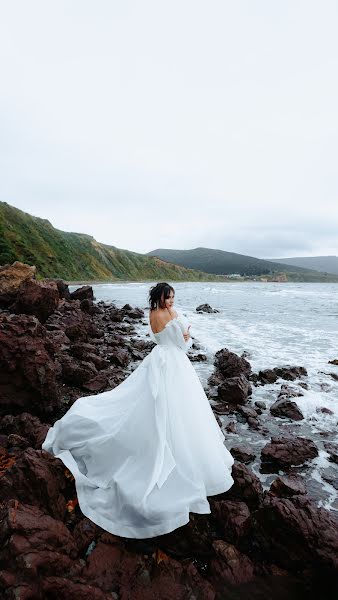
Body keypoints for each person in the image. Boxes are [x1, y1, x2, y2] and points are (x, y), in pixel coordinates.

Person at [41, 282, 234, 539]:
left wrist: (181, 330)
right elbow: (182, 344)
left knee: (157, 406)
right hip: (174, 363)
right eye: (170, 297)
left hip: (160, 360)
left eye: (174, 296)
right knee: (173, 409)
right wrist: (185, 333)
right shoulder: (167, 315)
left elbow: (163, 337)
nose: (172, 301)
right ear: (161, 297)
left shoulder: (153, 313)